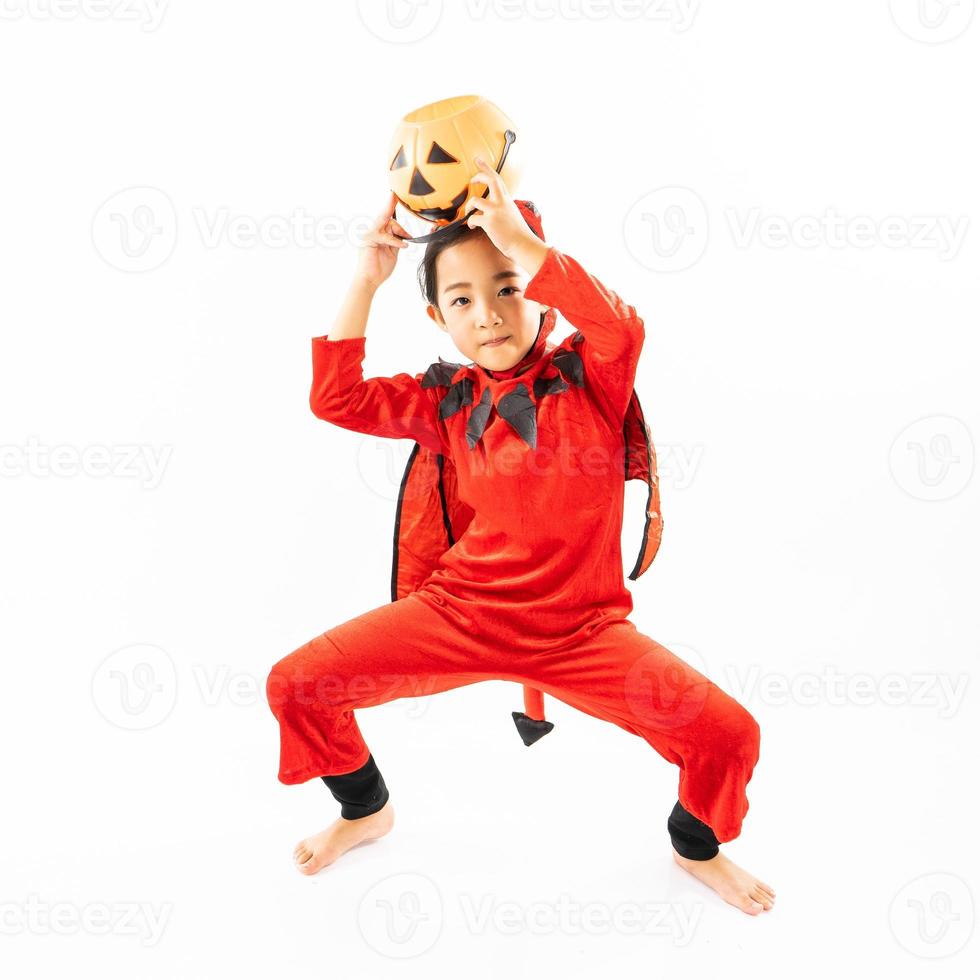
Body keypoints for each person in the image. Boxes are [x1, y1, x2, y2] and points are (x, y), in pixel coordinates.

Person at [265, 157, 776, 915]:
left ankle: (696, 847)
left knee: (729, 735)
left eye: (508, 289)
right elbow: (334, 397)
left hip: (583, 633)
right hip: (457, 616)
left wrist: (519, 239)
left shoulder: (593, 374)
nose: (490, 314)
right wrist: (367, 278)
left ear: (542, 297)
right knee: (296, 686)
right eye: (463, 299)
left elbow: (621, 322)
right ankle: (365, 808)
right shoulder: (446, 398)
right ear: (439, 317)